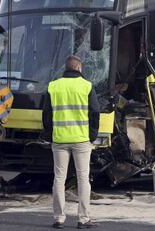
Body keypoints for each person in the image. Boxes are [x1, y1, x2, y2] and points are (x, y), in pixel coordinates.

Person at [42, 55, 100, 229]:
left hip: (59, 139)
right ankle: (83, 219)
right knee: (83, 178)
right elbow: (95, 112)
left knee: (59, 178)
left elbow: (46, 114)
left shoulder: (53, 86)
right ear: (80, 68)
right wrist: (92, 135)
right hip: (81, 140)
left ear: (65, 68)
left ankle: (58, 218)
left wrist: (49, 135)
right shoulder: (87, 86)